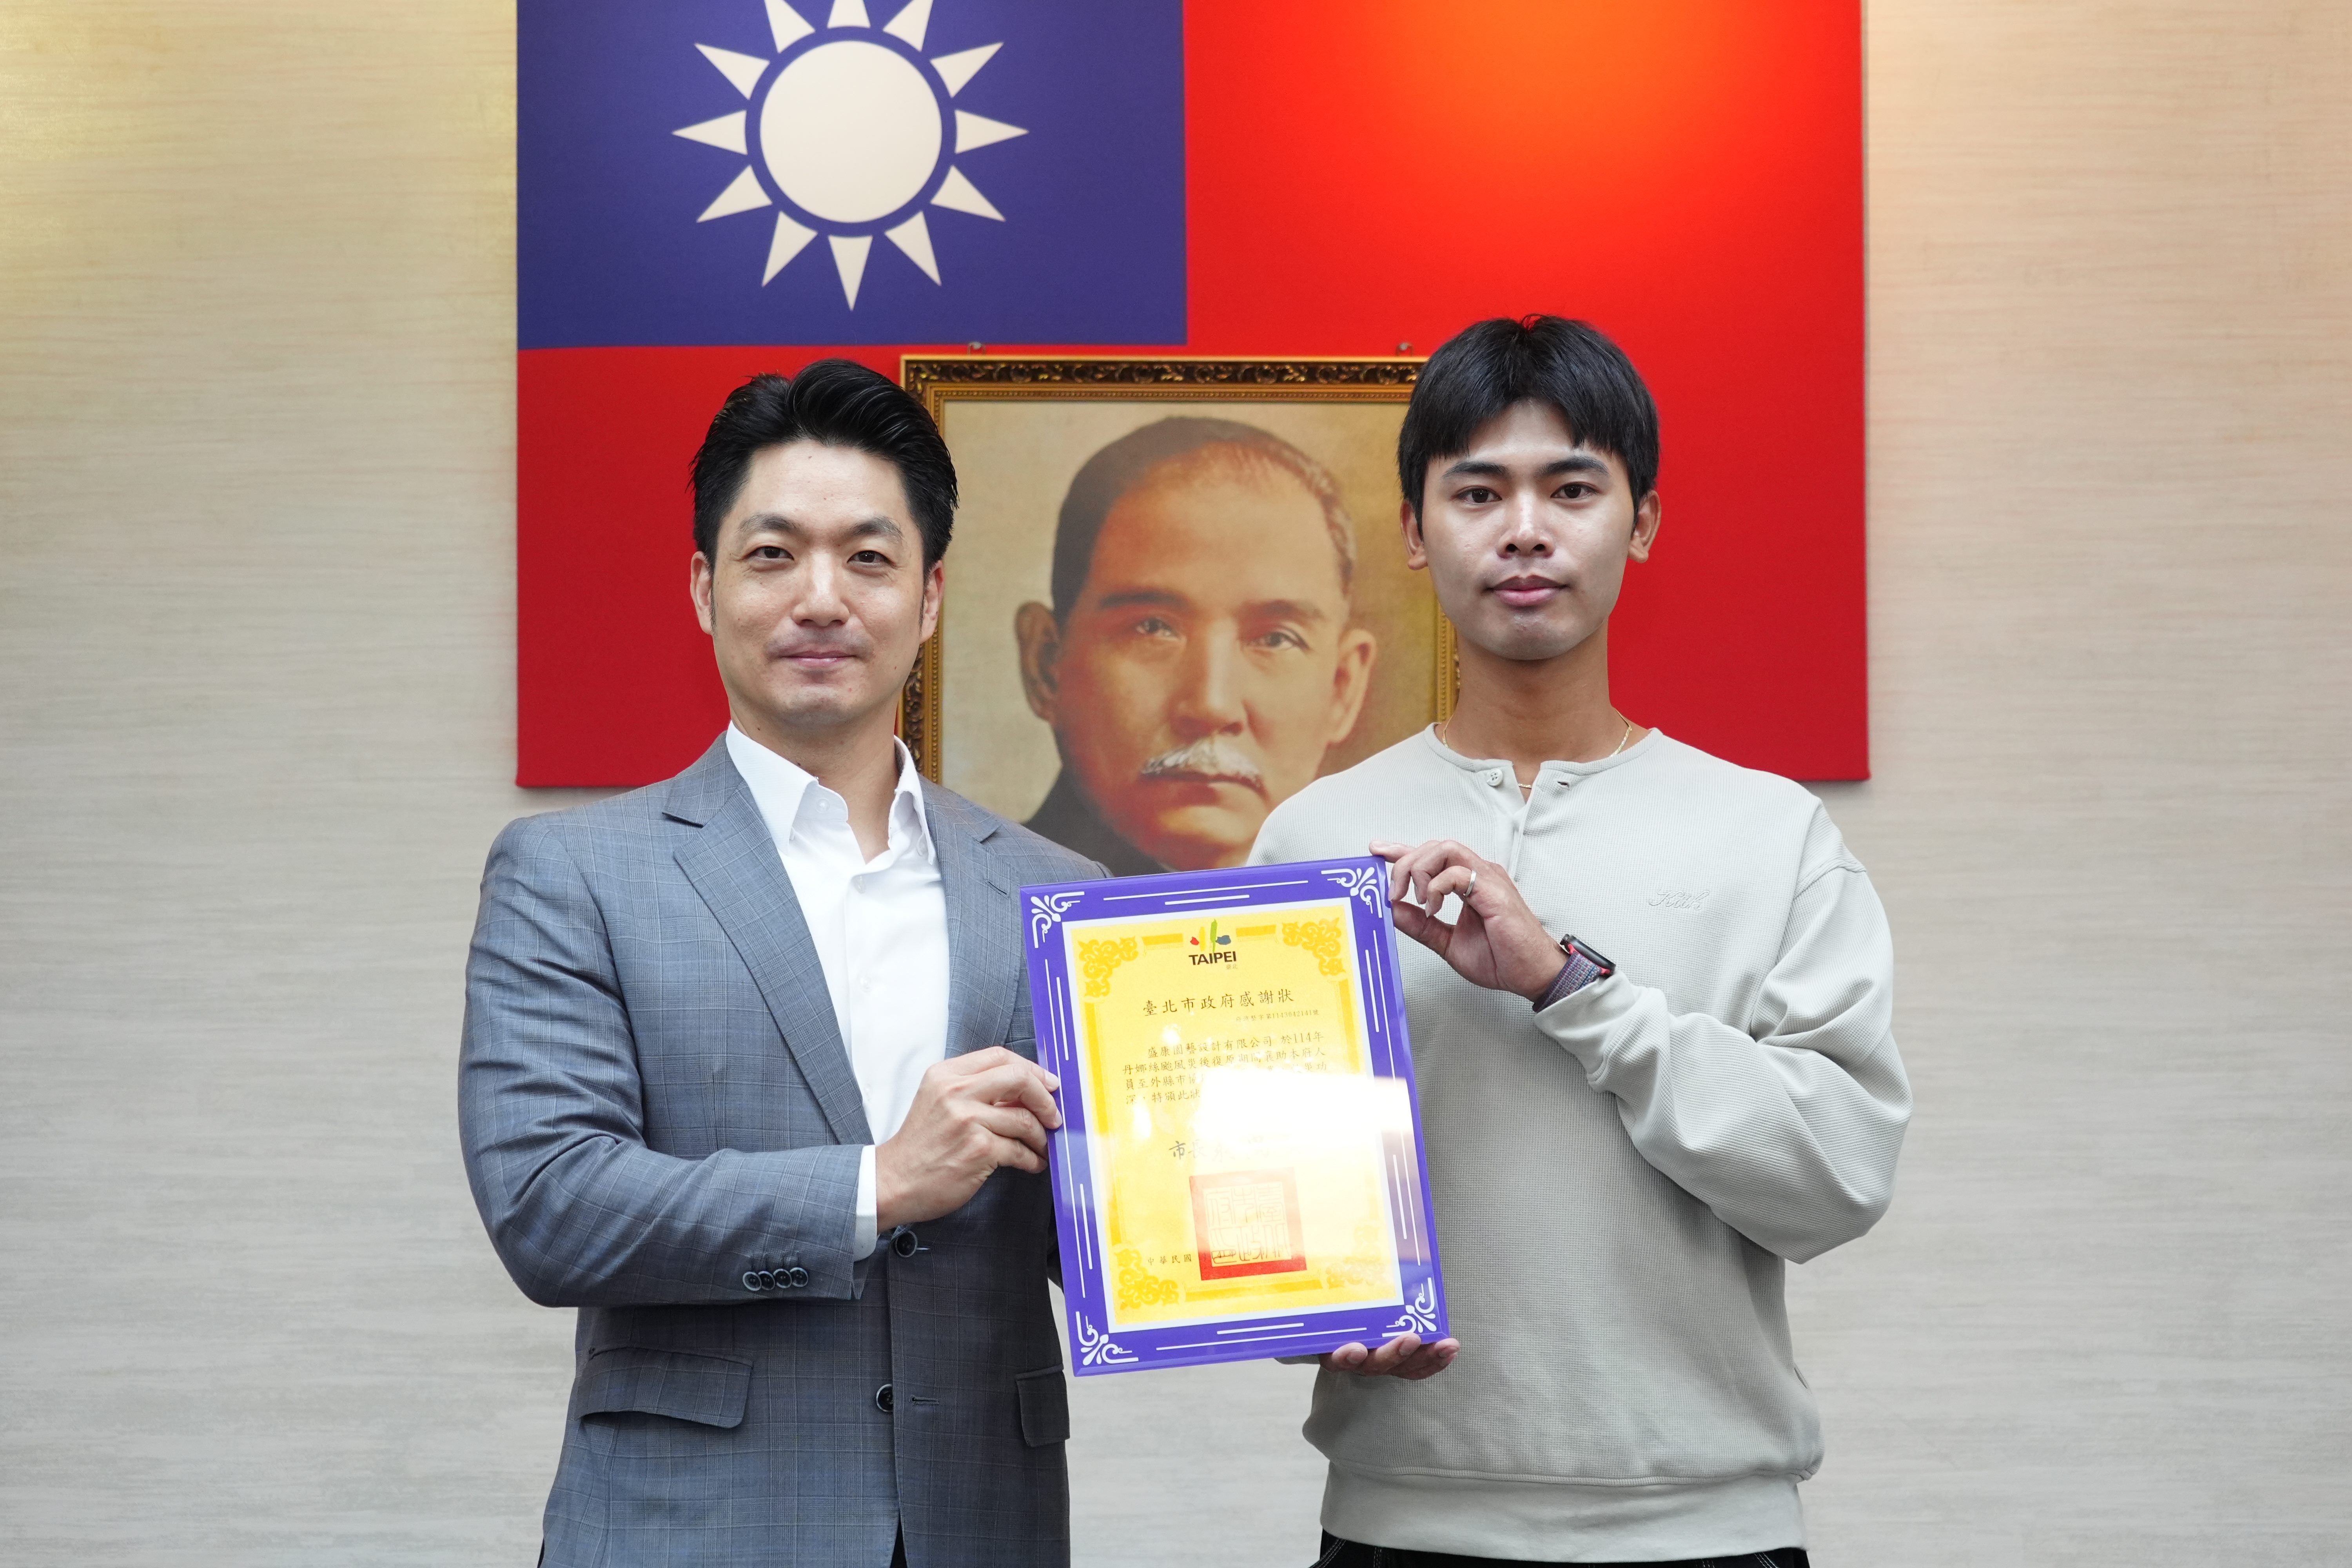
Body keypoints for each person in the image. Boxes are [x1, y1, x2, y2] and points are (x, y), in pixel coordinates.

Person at [1250, 317, 1912, 1567]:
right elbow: (1260, 1202)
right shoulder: (1313, 838)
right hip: (1397, 1523)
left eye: (1570, 489)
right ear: (1413, 529)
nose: (1523, 530)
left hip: (1707, 1534)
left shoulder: (1770, 833)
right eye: (1477, 492)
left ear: (1641, 522)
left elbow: (1835, 1180)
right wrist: (1302, 1312)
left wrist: (1571, 986)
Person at [459, 361, 1099, 1567]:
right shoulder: (573, 874)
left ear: (930, 596)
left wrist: (1318, 1304)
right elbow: (552, 1207)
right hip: (688, 1530)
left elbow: (1122, 1224)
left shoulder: (1056, 892)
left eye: (868, 558)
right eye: (772, 555)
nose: (820, 597)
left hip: (982, 1527)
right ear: (705, 589)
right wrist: (877, 1183)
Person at [1015, 417, 1378, 874]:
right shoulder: (979, 904)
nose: (1212, 706)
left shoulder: (1389, 906)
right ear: (1046, 665)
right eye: (1152, 628)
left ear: (1343, 687)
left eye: (1275, 639)